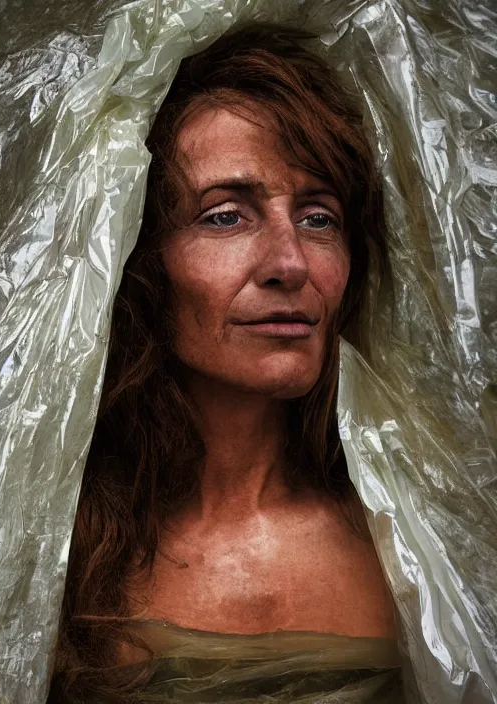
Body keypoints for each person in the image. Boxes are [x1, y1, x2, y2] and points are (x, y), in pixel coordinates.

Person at [49, 23, 403, 703]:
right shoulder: (57, 547)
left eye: (319, 217)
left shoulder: (411, 540)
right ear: (138, 256)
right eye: (225, 216)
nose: (290, 262)